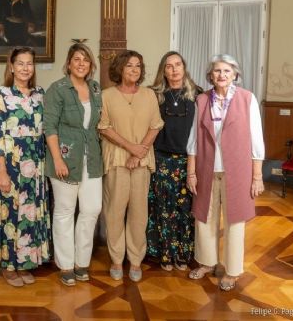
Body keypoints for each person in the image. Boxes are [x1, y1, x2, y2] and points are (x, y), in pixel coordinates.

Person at [186, 54, 265, 292]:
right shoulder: (201, 100)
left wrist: (257, 176)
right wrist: (191, 173)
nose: (222, 75)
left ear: (235, 75)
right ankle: (207, 262)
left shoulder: (247, 99)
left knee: (235, 221)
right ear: (211, 75)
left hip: (238, 171)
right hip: (206, 168)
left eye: (227, 71)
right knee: (204, 218)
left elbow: (256, 140)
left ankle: (232, 271)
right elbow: (193, 140)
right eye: (217, 71)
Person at [98, 50, 164, 282]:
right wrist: (130, 147)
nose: (134, 70)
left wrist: (139, 152)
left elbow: (155, 126)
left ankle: (135, 260)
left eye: (138, 66)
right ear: (119, 69)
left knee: (139, 212)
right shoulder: (106, 95)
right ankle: (117, 259)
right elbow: (103, 127)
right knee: (114, 212)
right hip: (116, 159)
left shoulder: (149, 95)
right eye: (129, 66)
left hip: (142, 161)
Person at [0, 47, 51, 287]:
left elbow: (46, 131)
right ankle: (8, 265)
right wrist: (2, 171)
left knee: (30, 216)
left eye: (30, 63)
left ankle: (26, 263)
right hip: (11, 166)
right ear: (12, 66)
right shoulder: (3, 94)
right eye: (21, 63)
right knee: (10, 216)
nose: (26, 68)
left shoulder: (40, 94)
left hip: (36, 166)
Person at [44, 42, 103, 286]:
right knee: (65, 212)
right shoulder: (57, 89)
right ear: (68, 63)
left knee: (91, 210)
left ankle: (82, 261)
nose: (81, 63)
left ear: (91, 65)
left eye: (86, 60)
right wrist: (57, 159)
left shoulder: (95, 88)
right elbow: (49, 126)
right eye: (77, 59)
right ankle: (67, 264)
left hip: (92, 159)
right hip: (65, 158)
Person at [147, 51, 202, 271]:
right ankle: (164, 254)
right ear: (164, 70)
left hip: (189, 162)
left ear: (184, 67)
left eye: (178, 64)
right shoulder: (154, 95)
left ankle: (183, 255)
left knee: (185, 209)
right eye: (169, 66)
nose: (174, 69)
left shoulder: (198, 95)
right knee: (162, 208)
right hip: (161, 159)